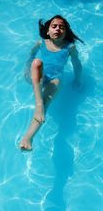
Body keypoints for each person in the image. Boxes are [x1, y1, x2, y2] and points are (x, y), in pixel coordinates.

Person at [19, 15, 83, 150]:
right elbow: (31, 55)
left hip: (53, 79)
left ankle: (28, 138)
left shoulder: (69, 47)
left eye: (62, 27)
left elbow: (76, 63)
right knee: (37, 63)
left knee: (47, 101)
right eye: (54, 26)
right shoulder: (41, 42)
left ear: (66, 32)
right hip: (37, 76)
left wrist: (77, 79)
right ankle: (38, 104)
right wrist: (27, 66)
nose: (58, 29)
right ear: (48, 31)